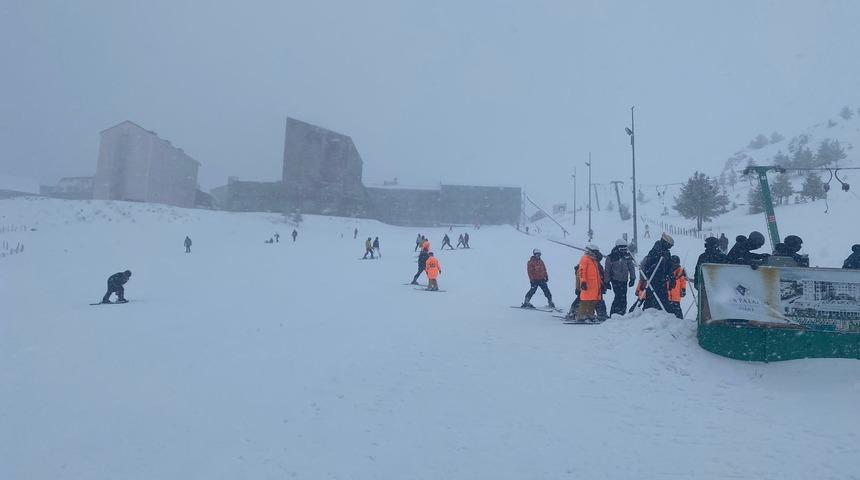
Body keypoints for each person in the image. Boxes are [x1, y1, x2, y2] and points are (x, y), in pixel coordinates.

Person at [640, 233, 674, 312]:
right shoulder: (655, 251)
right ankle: (647, 313)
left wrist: (671, 276)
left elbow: (669, 266)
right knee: (652, 298)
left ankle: (664, 313)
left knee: (663, 299)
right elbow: (649, 265)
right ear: (665, 243)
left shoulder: (667, 253)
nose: (670, 248)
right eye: (669, 246)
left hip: (662, 280)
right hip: (653, 279)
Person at [604, 239, 636, 317]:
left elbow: (631, 268)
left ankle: (622, 312)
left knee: (623, 296)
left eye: (625, 249)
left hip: (624, 280)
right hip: (615, 280)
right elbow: (607, 270)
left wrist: (632, 278)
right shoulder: (611, 257)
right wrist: (607, 281)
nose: (623, 251)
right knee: (618, 296)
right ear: (617, 248)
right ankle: (614, 313)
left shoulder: (627, 256)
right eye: (621, 249)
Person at [576, 244, 604, 322]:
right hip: (587, 284)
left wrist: (600, 283)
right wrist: (583, 282)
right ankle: (582, 316)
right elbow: (582, 271)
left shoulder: (593, 260)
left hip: (594, 285)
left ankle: (590, 315)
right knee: (585, 301)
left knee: (593, 300)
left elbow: (597, 273)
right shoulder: (585, 259)